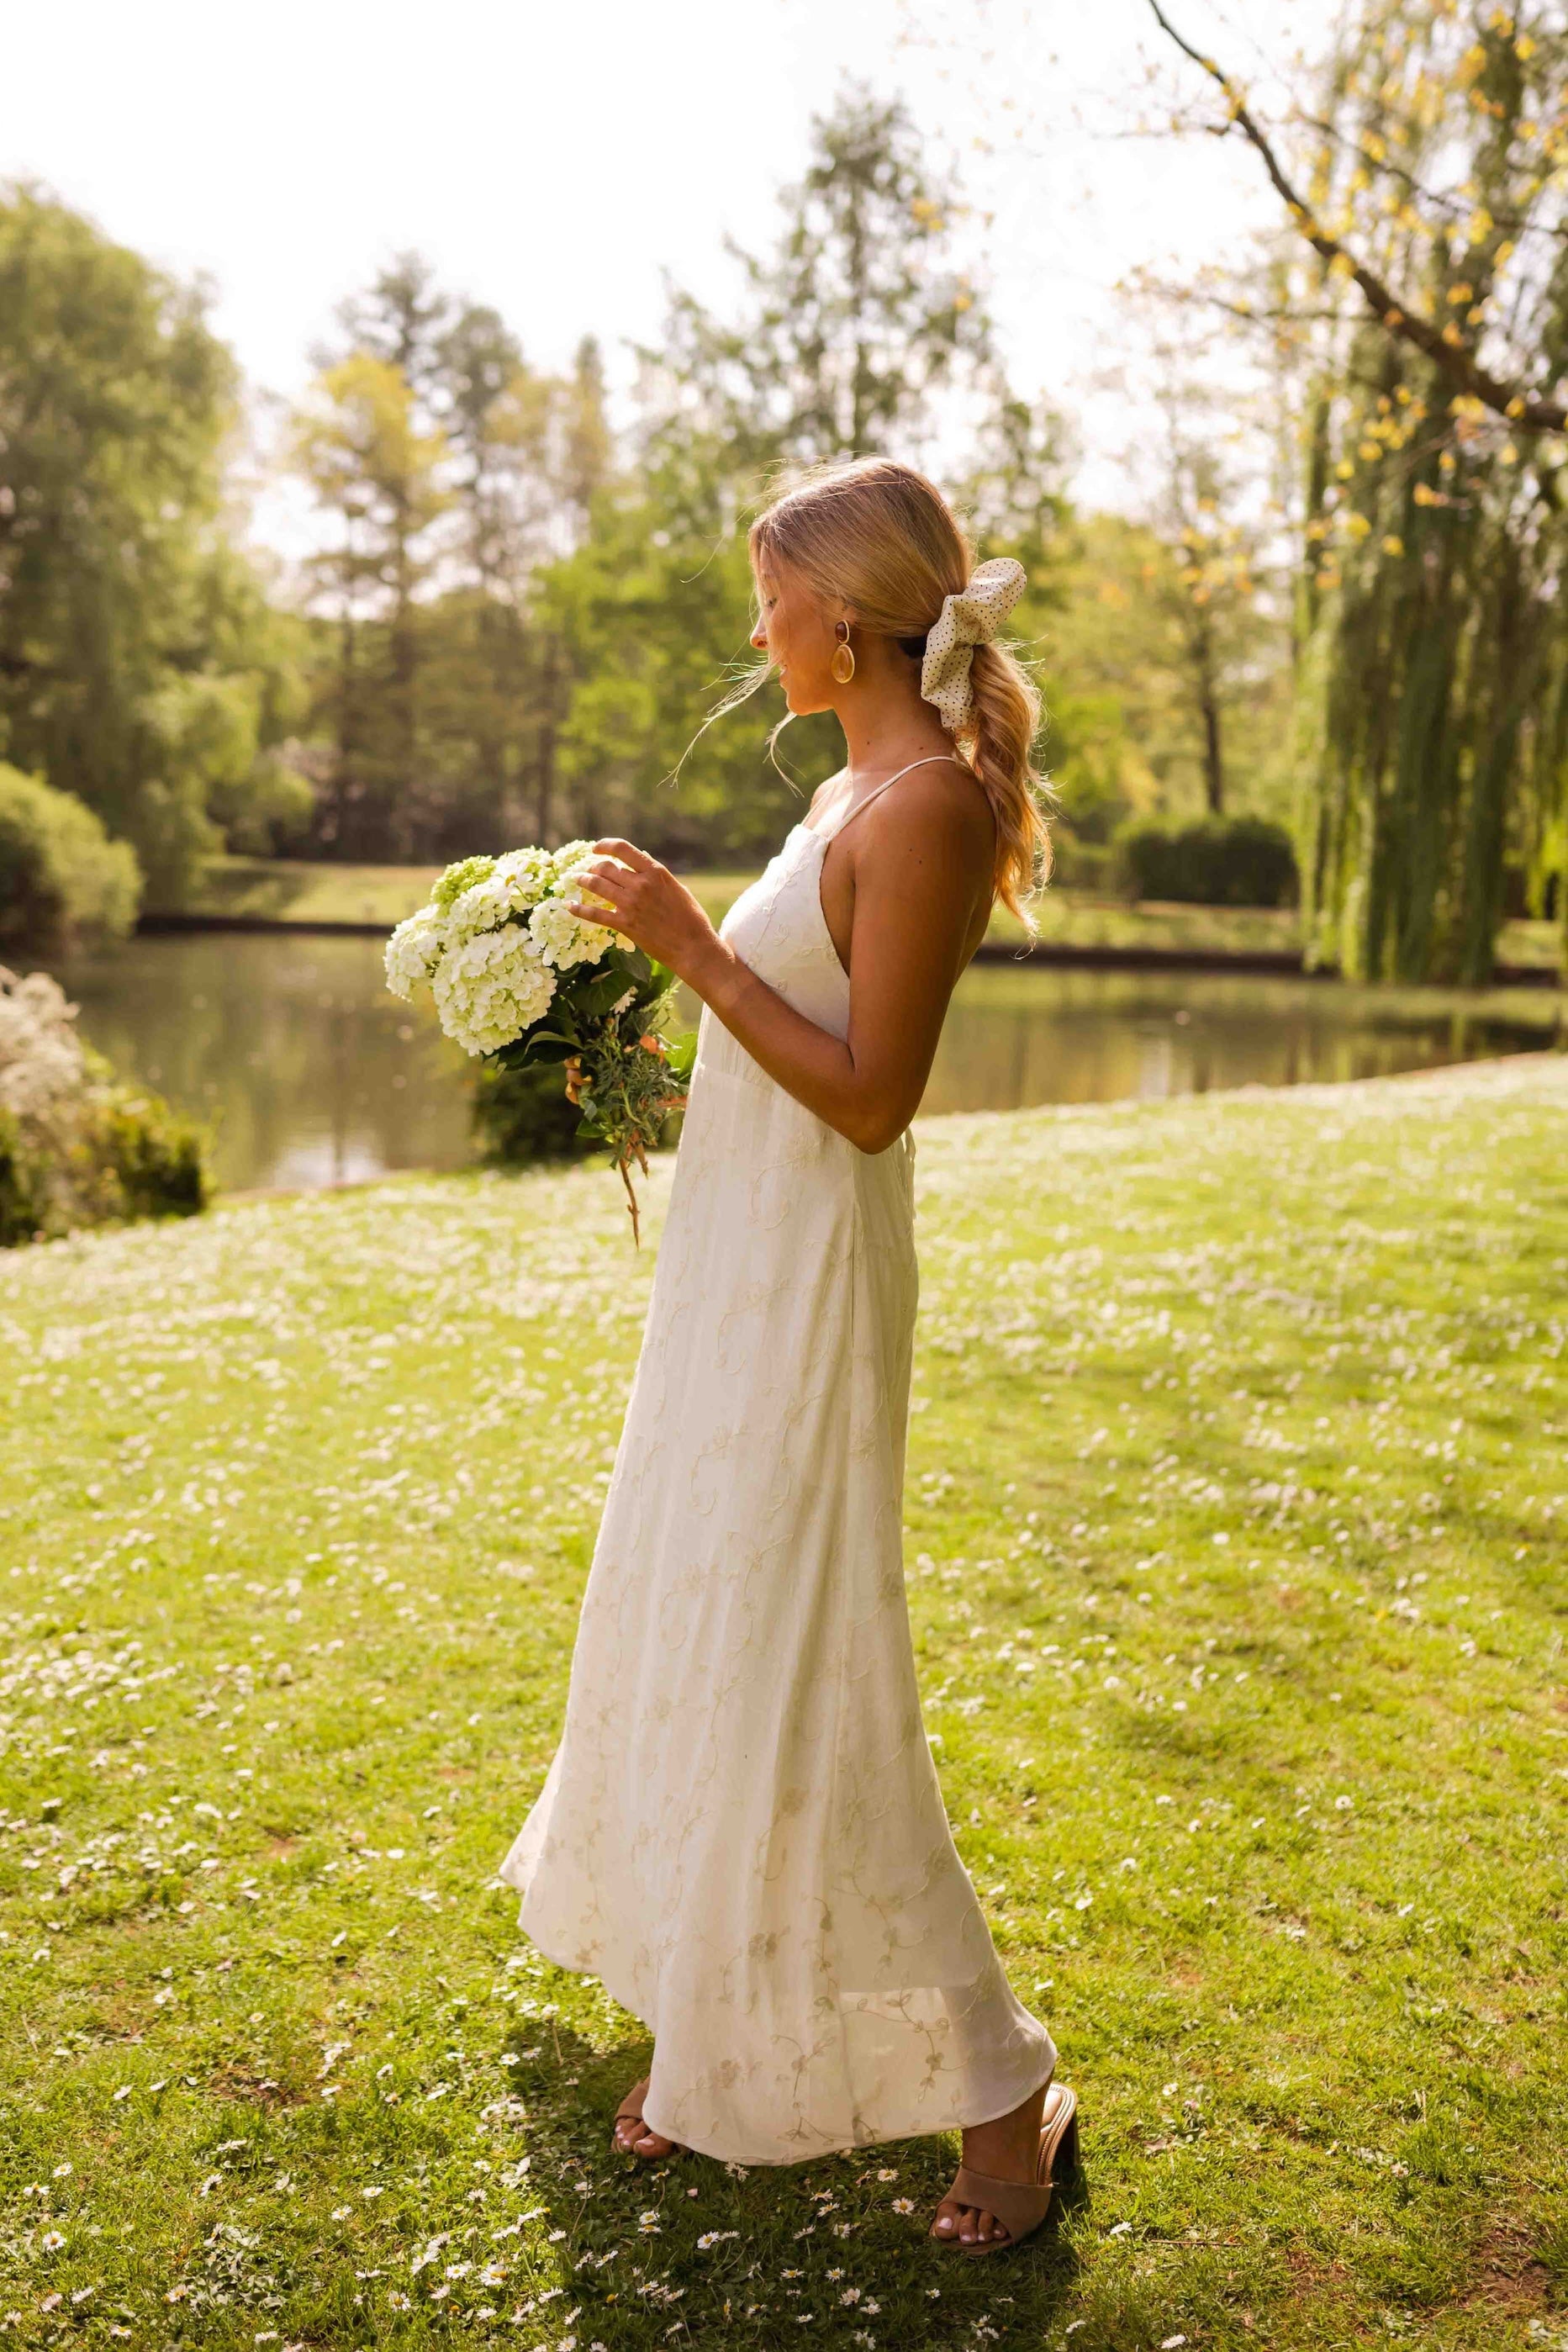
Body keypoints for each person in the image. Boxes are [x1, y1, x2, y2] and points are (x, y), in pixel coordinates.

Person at [495, 456, 1076, 2255]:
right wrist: (610, 1045)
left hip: (816, 1284)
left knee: (810, 1651)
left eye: (766, 598)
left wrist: (684, 943)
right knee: (714, 1622)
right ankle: (718, 2030)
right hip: (733, 1276)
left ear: (840, 614)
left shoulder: (925, 811)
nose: (752, 633)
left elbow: (873, 1103)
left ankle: (1003, 2094)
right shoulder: (846, 786)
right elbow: (778, 1048)